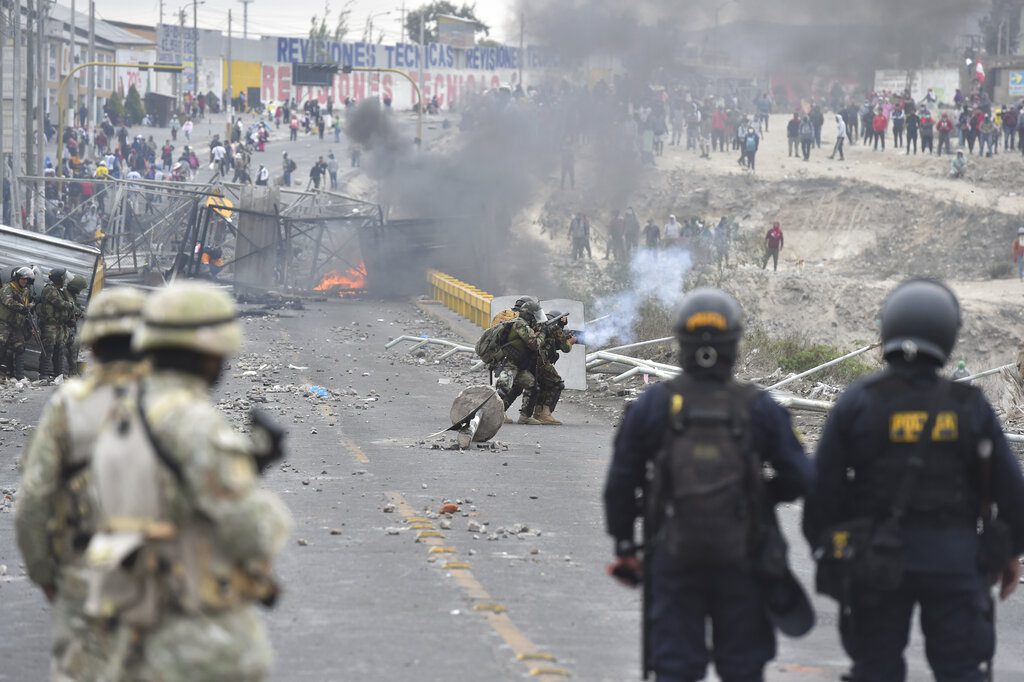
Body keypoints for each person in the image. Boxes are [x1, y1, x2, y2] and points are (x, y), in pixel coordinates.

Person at [803, 278, 1024, 682]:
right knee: (960, 671)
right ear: (948, 334)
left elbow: (820, 491)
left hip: (876, 562)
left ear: (887, 327)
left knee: (875, 671)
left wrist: (829, 550)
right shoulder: (970, 407)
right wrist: (1010, 552)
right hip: (956, 562)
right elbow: (1013, 494)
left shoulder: (858, 401)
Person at [78, 281, 292, 680]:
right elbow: (252, 533)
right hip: (194, 642)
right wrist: (252, 484)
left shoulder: (123, 410)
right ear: (208, 355)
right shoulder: (195, 422)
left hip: (130, 628)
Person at [604, 288, 812, 682]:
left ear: (681, 342)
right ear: (734, 343)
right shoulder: (759, 407)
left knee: (675, 667)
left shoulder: (653, 405)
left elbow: (620, 482)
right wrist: (761, 496)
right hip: (745, 558)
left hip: (672, 555)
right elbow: (802, 476)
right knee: (743, 667)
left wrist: (625, 543)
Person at [15, 288, 149, 680]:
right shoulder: (178, 404)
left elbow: (33, 501)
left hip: (86, 567)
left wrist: (44, 574)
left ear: (91, 342)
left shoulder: (69, 405)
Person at [491, 298, 546, 425]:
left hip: (517, 364)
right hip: (509, 363)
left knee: (532, 385)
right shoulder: (520, 324)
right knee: (503, 388)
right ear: (529, 314)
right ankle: (494, 414)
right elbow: (535, 344)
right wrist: (542, 334)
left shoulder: (523, 324)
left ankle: (525, 416)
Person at [524, 310, 576, 425]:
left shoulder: (539, 326)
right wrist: (571, 342)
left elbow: (551, 342)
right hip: (542, 362)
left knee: (543, 384)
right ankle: (545, 414)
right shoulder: (555, 329)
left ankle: (538, 413)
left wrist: (562, 326)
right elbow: (565, 348)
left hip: (532, 361)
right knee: (557, 383)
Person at [36, 268, 76, 379]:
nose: (65, 280)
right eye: (63, 278)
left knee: (59, 349)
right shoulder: (50, 289)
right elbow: (59, 303)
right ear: (58, 279)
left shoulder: (60, 290)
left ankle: (58, 374)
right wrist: (71, 305)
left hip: (59, 325)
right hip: (50, 325)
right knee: (48, 349)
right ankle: (43, 374)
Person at [0, 266, 34, 379]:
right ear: (17, 278)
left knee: (20, 347)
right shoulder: (7, 287)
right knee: (2, 345)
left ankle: (19, 376)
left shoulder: (25, 291)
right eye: (23, 279)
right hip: (4, 323)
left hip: (16, 325)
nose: (25, 281)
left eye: (27, 279)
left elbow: (25, 306)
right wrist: (21, 308)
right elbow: (7, 301)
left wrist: (30, 306)